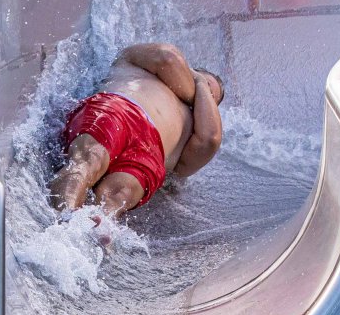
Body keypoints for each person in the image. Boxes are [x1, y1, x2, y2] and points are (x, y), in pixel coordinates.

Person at [48, 42, 225, 220]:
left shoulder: (191, 134)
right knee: (90, 159)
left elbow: (210, 139)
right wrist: (199, 82)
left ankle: (91, 232)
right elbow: (167, 58)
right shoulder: (139, 63)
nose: (205, 97)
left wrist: (202, 86)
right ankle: (64, 221)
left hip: (151, 152)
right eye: (207, 85)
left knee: (119, 195)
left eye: (211, 100)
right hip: (120, 110)